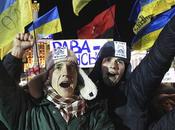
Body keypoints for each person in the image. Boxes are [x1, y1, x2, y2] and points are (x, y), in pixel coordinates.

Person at [0, 33, 115, 130]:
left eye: (71, 67)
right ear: (48, 76)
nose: (65, 72)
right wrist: (15, 55)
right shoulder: (30, 111)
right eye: (58, 67)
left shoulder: (96, 116)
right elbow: (5, 92)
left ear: (78, 77)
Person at [89, 16, 175, 130]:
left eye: (120, 62)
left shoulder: (135, 90)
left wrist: (172, 29)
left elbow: (157, 59)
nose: (113, 66)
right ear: (99, 65)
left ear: (126, 69)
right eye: (108, 59)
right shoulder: (86, 98)